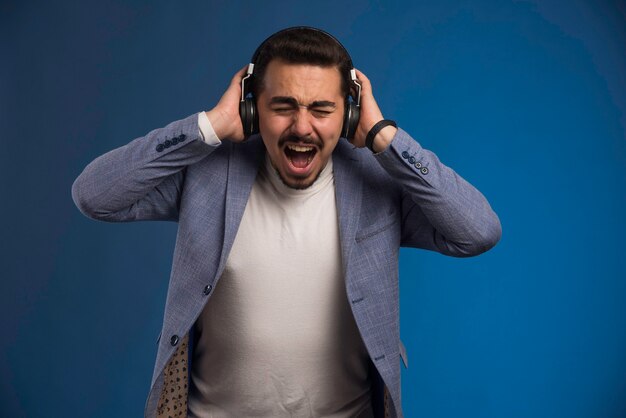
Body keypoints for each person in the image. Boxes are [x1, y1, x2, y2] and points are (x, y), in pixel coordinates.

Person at [71, 26, 501, 418]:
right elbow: (95, 196)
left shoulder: (377, 186)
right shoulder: (206, 175)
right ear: (254, 109)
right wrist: (210, 126)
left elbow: (478, 231)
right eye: (283, 106)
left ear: (348, 115)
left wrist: (383, 136)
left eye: (321, 109)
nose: (302, 127)